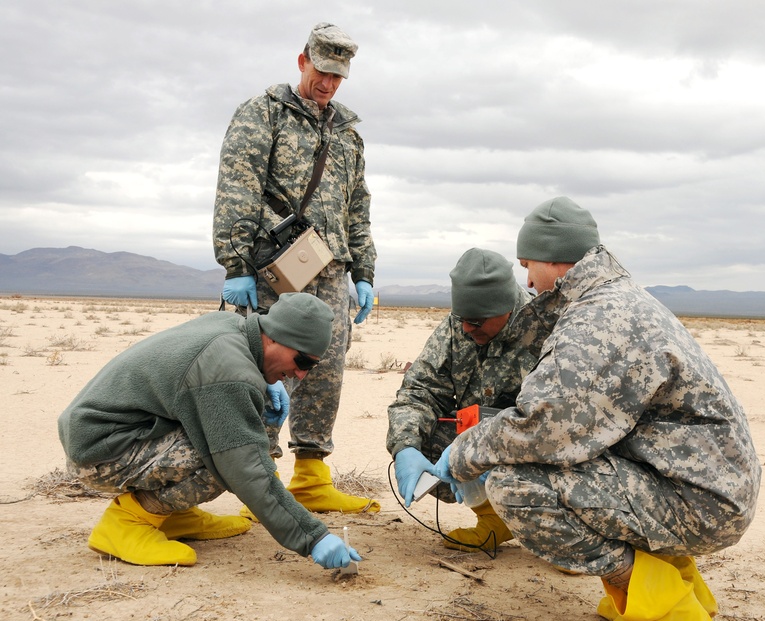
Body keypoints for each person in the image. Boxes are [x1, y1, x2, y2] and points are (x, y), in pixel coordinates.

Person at [430, 197, 762, 621]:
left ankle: (663, 615)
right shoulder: (614, 297)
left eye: (528, 265)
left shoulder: (599, 319)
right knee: (582, 463)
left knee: (517, 486)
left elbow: (544, 427)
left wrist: (464, 453)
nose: (526, 280)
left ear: (552, 258)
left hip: (702, 501)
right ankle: (682, 583)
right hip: (703, 485)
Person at [58, 292, 362, 571]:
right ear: (273, 338)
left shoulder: (233, 326)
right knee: (225, 455)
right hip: (100, 453)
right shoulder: (229, 370)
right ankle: (129, 522)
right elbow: (247, 469)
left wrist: (265, 381)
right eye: (301, 361)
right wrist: (313, 537)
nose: (301, 374)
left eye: (311, 366)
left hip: (115, 433)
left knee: (231, 435)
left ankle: (173, 515)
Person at [212, 22, 379, 515]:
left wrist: (363, 271)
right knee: (268, 367)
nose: (328, 84)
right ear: (303, 60)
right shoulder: (262, 114)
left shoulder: (346, 131)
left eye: (339, 77)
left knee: (323, 370)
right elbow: (237, 189)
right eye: (322, 72)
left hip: (329, 270)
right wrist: (236, 263)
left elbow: (358, 207)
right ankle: (257, 480)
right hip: (274, 267)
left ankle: (310, 476)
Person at [387, 248, 534, 552]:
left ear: (506, 309)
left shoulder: (546, 329)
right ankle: (495, 521)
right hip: (480, 439)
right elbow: (419, 391)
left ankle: (558, 534)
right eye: (462, 319)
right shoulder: (459, 327)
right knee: (423, 438)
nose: (467, 329)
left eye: (476, 322)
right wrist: (405, 447)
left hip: (534, 444)